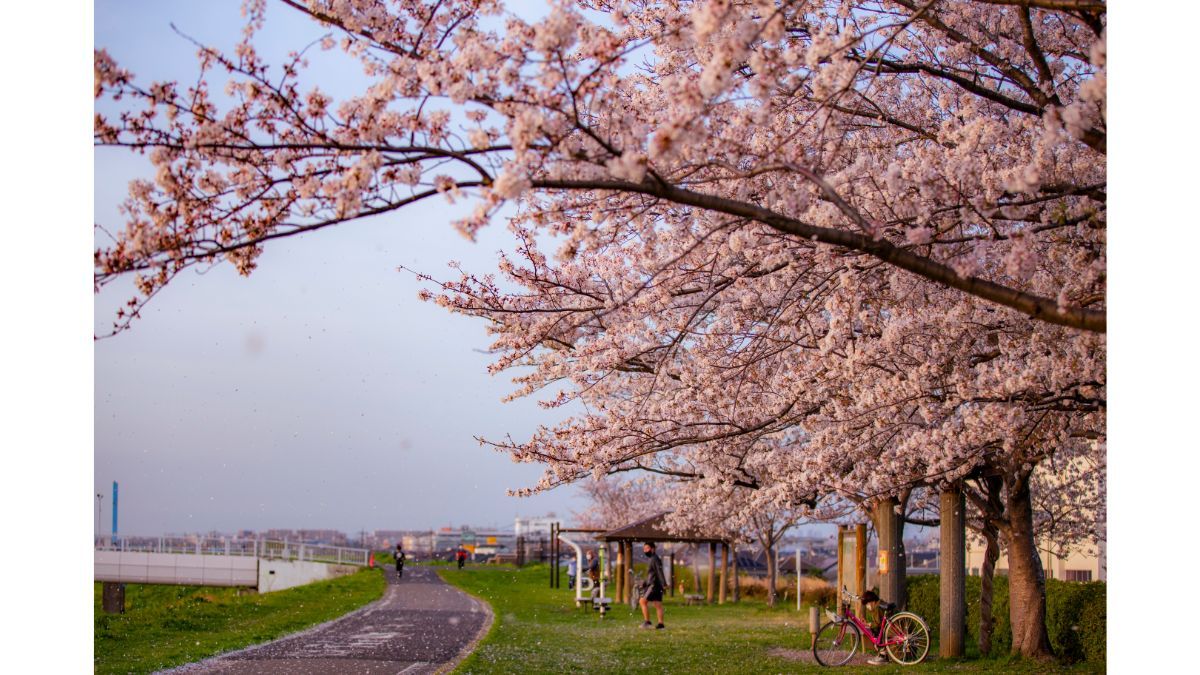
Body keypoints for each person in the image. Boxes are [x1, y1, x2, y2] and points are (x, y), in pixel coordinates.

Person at [638, 541, 666, 629]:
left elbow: (659, 571)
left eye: (647, 548)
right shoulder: (654, 558)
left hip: (653, 585)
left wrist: (664, 583)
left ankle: (647, 622)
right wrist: (645, 583)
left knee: (642, 601)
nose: (645, 550)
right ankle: (661, 624)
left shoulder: (654, 559)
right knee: (657, 604)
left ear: (653, 549)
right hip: (656, 584)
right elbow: (652, 573)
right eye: (644, 549)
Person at [860, 589, 889, 665]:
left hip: (891, 629)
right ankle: (882, 653)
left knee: (876, 630)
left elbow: (877, 624)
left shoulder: (877, 607)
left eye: (867, 604)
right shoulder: (879, 603)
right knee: (875, 629)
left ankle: (882, 655)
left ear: (872, 601)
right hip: (894, 626)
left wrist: (868, 625)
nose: (867, 606)